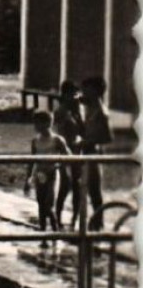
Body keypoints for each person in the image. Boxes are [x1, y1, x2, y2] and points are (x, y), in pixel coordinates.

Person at [23, 110, 71, 243]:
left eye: (38, 123)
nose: (35, 126)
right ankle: (43, 235)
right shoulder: (35, 141)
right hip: (39, 174)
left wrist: (58, 165)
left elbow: (68, 156)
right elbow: (31, 161)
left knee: (48, 205)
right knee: (40, 204)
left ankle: (55, 233)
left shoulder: (57, 140)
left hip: (52, 174)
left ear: (48, 123)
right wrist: (28, 179)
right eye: (35, 123)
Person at [79, 77, 113, 230]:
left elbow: (107, 137)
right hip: (85, 150)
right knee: (84, 186)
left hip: (94, 151)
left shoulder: (100, 112)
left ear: (96, 92)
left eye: (88, 89)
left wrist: (89, 141)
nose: (84, 92)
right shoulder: (88, 107)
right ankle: (90, 218)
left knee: (94, 188)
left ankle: (98, 221)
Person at [52, 80, 86, 229]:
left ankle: (74, 218)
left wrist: (79, 114)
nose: (75, 97)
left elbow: (83, 131)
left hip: (77, 152)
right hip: (64, 151)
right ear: (65, 95)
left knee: (77, 186)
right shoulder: (61, 112)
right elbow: (59, 132)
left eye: (76, 94)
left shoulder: (77, 111)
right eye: (72, 94)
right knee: (65, 185)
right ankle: (58, 216)